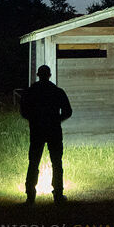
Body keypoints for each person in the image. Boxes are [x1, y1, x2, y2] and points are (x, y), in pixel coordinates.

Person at [20, 64, 72, 203]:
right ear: (49, 75)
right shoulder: (57, 91)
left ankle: (30, 195)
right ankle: (58, 194)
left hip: (36, 131)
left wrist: (34, 120)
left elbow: (24, 111)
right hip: (54, 131)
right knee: (56, 163)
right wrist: (56, 120)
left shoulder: (30, 92)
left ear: (38, 75)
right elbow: (68, 111)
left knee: (33, 162)